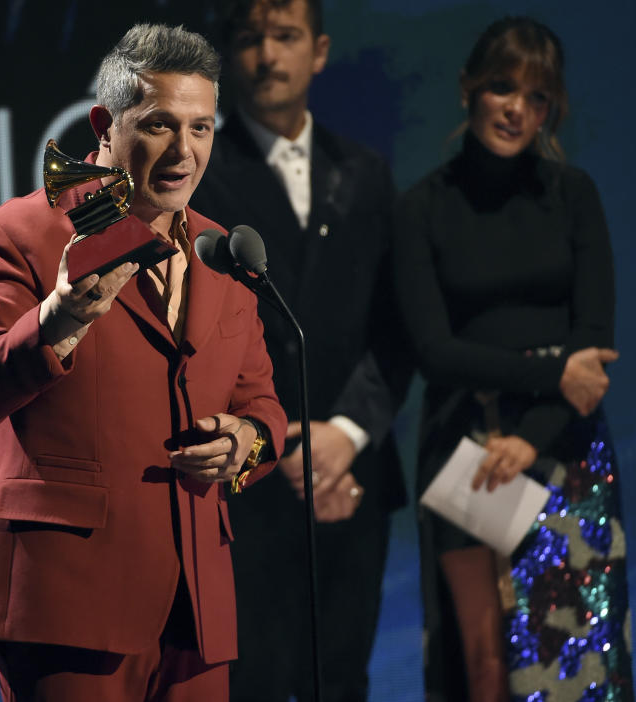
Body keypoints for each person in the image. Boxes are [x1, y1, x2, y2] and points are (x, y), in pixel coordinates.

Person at [0, 24, 287, 702]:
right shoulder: (15, 235)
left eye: (201, 128)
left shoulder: (222, 252)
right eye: (160, 125)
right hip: (69, 604)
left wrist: (247, 443)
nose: (183, 152)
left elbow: (263, 406)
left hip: (196, 610)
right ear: (104, 123)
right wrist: (60, 316)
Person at [393, 16, 634, 702]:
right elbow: (436, 352)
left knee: (576, 665)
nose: (516, 110)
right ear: (470, 87)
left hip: (565, 445)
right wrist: (553, 371)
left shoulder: (573, 195)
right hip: (464, 451)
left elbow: (594, 347)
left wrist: (532, 439)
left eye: (537, 98)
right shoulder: (422, 209)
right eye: (503, 88)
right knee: (482, 668)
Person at [190, 1, 411, 700]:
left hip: (352, 484)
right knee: (252, 683)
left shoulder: (368, 174)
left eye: (284, 37)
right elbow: (187, 336)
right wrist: (277, 441)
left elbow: (398, 328)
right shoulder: (197, 174)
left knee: (342, 681)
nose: (267, 56)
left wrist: (344, 436)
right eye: (250, 39)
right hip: (248, 485)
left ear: (318, 51)